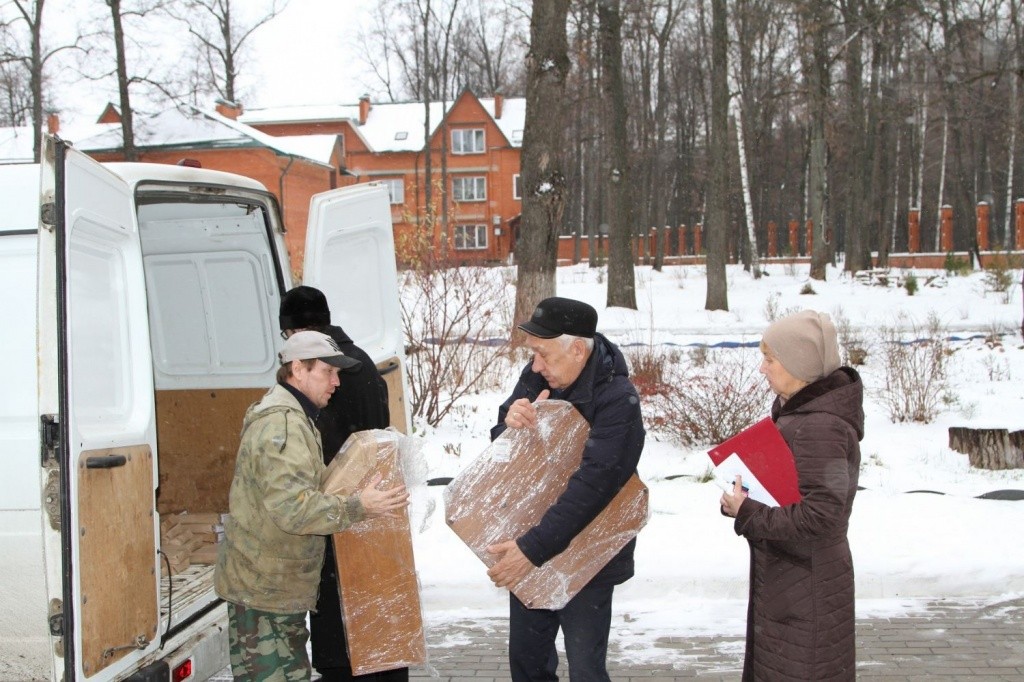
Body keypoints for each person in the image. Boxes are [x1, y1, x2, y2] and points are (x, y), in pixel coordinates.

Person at [215, 330, 409, 682]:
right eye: (327, 371)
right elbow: (294, 509)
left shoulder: (297, 418)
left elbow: (307, 488)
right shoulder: (283, 425)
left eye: (337, 373)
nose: (336, 382)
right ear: (297, 369)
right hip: (264, 591)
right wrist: (358, 507)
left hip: (275, 587)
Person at [487, 296, 645, 682]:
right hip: (534, 539)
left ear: (577, 350)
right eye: (532, 355)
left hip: (589, 551)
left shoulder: (618, 399)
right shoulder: (538, 377)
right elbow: (500, 451)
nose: (535, 366)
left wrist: (531, 549)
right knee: (528, 664)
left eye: (542, 354)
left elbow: (594, 486)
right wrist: (509, 425)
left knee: (586, 669)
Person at [720, 309, 863, 681]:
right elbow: (791, 494)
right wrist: (744, 497)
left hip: (808, 587)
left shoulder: (820, 427)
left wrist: (749, 512)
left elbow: (822, 515)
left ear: (799, 363)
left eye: (770, 359)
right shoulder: (800, 416)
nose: (762, 368)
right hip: (794, 582)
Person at [277, 285, 405, 682]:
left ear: (296, 332)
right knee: (377, 622)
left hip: (340, 511)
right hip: (374, 503)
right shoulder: (362, 362)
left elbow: (321, 455)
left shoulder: (320, 372)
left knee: (340, 630)